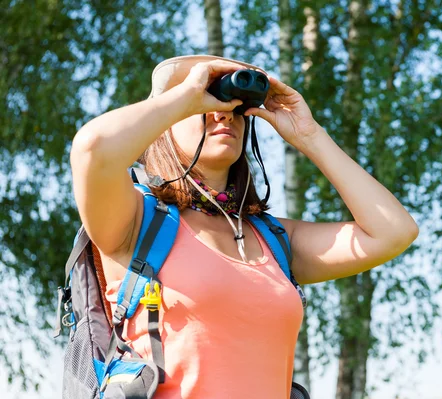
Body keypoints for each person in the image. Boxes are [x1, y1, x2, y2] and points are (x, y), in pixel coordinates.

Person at [70, 55, 419, 398]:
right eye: (203, 103)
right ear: (166, 119)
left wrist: (309, 135)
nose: (223, 112)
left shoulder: (274, 240)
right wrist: (184, 98)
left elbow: (393, 232)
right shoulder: (135, 222)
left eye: (235, 106)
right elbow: (92, 149)